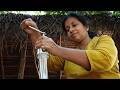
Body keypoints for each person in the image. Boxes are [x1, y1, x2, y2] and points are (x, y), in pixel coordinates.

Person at [20, 13, 120, 79]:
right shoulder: (68, 55)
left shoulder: (103, 40)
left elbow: (104, 59)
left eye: (74, 25)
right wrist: (34, 33)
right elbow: (48, 63)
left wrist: (56, 48)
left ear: (86, 27)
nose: (71, 30)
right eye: (67, 29)